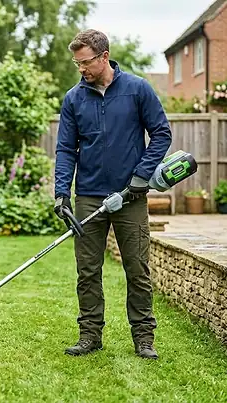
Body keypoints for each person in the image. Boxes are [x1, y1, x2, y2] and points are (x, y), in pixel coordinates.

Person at [53, 29, 172, 359]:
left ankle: (144, 337)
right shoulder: (73, 99)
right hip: (89, 195)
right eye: (77, 63)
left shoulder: (137, 89)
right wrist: (62, 193)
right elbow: (65, 149)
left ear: (104, 57)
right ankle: (90, 334)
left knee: (137, 267)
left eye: (85, 62)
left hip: (130, 196)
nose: (81, 69)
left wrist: (141, 176)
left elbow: (161, 134)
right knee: (87, 270)